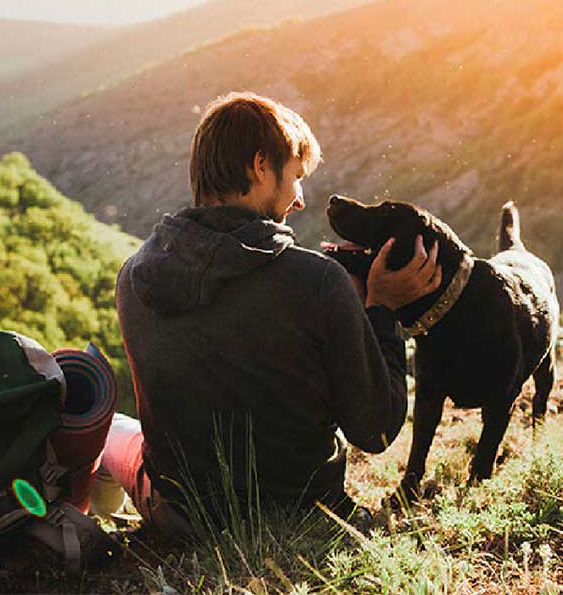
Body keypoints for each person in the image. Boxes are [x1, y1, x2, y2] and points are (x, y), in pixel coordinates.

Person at [95, 91, 442, 535]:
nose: (299, 200)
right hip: (304, 511)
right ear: (260, 166)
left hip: (183, 519)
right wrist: (381, 310)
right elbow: (375, 431)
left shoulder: (132, 278)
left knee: (111, 433)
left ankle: (86, 521)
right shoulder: (317, 281)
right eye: (297, 176)